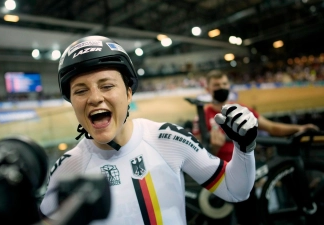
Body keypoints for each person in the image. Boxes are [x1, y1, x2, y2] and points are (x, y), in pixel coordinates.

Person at [40, 36, 259, 225]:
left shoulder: (169, 139)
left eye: (107, 86)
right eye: (80, 91)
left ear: (128, 94)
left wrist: (244, 148)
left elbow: (234, 190)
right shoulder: (67, 168)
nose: (95, 98)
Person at [191, 70, 319, 225]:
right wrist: (215, 149)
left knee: (251, 218)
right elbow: (198, 154)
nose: (221, 87)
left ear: (229, 86)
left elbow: (271, 127)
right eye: (217, 85)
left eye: (224, 84)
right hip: (218, 176)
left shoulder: (241, 110)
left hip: (243, 170)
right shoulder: (202, 116)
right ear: (208, 89)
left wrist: (299, 128)